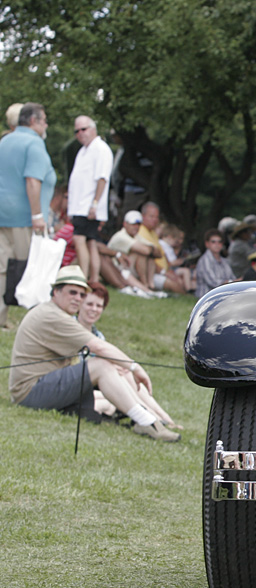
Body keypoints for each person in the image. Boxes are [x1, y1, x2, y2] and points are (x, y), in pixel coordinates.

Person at [8, 266, 180, 441]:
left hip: (41, 387)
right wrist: (135, 367)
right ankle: (147, 422)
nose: (78, 299)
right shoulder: (52, 315)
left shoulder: (53, 313)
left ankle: (153, 418)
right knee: (102, 365)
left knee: (109, 383)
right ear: (56, 292)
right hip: (30, 392)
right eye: (72, 292)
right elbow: (99, 348)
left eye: (82, 295)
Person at [76, 281, 182, 429]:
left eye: (99, 306)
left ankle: (164, 418)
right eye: (90, 304)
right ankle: (154, 418)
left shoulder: (98, 335)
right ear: (80, 304)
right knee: (125, 374)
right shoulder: (72, 329)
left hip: (101, 381)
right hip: (84, 384)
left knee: (128, 375)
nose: (94, 309)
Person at [0, 103, 56, 330]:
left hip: (2, 214)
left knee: (2, 268)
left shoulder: (5, 141)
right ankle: (32, 323)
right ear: (33, 121)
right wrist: (37, 215)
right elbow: (32, 180)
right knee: (30, 268)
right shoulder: (34, 144)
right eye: (44, 120)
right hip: (23, 217)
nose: (46, 125)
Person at [67, 116, 113, 283]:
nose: (80, 133)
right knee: (91, 242)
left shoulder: (100, 149)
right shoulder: (84, 150)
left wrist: (95, 204)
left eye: (83, 129)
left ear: (93, 129)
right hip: (81, 206)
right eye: (76, 131)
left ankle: (83, 277)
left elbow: (102, 178)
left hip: (87, 206)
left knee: (79, 240)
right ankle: (93, 279)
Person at [101, 209, 160, 297]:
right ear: (125, 224)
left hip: (127, 268)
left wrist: (150, 250)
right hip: (117, 269)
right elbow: (146, 251)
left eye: (138, 224)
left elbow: (158, 253)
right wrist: (150, 249)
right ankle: (145, 287)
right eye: (133, 224)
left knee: (150, 257)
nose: (136, 227)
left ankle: (149, 286)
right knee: (141, 254)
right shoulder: (121, 236)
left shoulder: (136, 236)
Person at [134, 202, 186, 294]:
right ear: (143, 216)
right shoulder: (141, 231)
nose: (155, 220)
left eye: (156, 217)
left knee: (181, 279)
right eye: (151, 216)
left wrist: (169, 269)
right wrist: (164, 272)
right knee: (173, 284)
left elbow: (162, 254)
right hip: (151, 273)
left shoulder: (153, 233)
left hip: (163, 271)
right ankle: (186, 298)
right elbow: (149, 256)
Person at [194, 229, 235, 298]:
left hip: (223, 296)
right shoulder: (205, 260)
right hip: (207, 298)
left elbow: (232, 277)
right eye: (213, 242)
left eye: (220, 242)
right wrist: (232, 282)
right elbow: (214, 283)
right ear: (207, 244)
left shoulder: (225, 261)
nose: (217, 245)